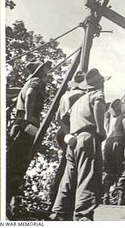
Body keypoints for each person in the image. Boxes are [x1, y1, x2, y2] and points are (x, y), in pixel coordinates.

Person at [51, 68, 109, 221]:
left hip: (73, 141)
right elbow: (98, 106)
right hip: (87, 137)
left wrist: (68, 133)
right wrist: (101, 129)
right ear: (100, 83)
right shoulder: (97, 94)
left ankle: (58, 214)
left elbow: (63, 119)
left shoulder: (78, 101)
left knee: (68, 180)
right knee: (88, 176)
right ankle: (83, 216)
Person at [6, 60, 52, 216]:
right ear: (41, 70)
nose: (48, 71)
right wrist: (29, 116)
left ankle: (8, 201)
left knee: (13, 162)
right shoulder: (36, 81)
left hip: (19, 122)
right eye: (46, 69)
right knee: (18, 163)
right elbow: (31, 94)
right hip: (25, 122)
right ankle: (7, 201)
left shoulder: (27, 83)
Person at [49, 71, 86, 210]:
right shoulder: (81, 96)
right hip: (72, 131)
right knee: (72, 169)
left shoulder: (65, 95)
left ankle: (53, 198)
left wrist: (65, 132)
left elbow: (59, 117)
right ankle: (65, 203)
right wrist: (70, 133)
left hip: (62, 132)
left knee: (64, 165)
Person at [102, 99, 125, 205]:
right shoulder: (124, 116)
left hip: (108, 142)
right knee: (121, 170)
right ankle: (120, 198)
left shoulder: (108, 116)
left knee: (109, 171)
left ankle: (105, 195)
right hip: (119, 140)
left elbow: (113, 107)